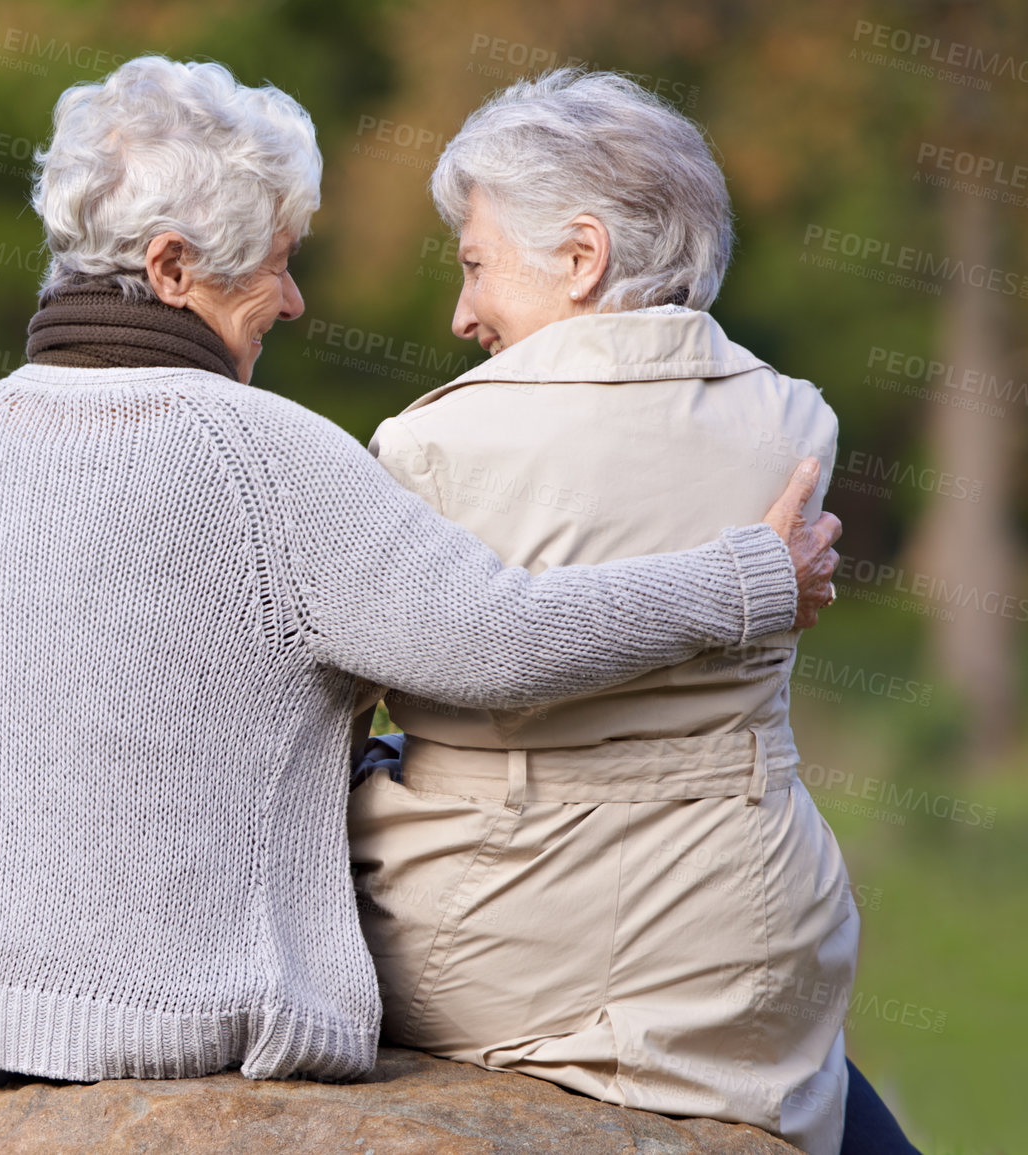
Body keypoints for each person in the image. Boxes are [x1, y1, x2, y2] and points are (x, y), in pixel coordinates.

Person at [0, 56, 841, 1155]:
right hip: (169, 1017)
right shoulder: (262, 454)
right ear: (172, 267)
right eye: (278, 265)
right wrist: (751, 579)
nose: (294, 299)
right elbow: (494, 640)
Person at [347, 70, 919, 1155]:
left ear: (581, 255)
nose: (460, 313)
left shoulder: (430, 445)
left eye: (474, 266)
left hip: (491, 943)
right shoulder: (798, 423)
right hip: (747, 945)